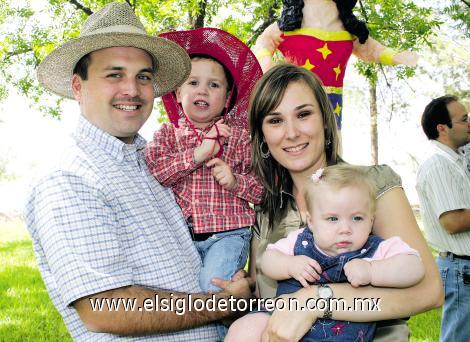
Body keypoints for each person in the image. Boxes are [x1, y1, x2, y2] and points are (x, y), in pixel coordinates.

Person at [24, 3, 252, 340]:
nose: (132, 89)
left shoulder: (154, 157)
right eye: (114, 74)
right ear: (77, 86)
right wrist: (224, 304)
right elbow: (105, 308)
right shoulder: (70, 179)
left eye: (143, 77)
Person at [230, 64, 442, 341]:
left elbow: (429, 291)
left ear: (325, 121)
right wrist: (237, 296)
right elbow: (268, 303)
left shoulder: (372, 185)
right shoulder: (266, 212)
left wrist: (317, 301)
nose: (291, 132)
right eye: (275, 120)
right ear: (263, 138)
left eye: (303, 114)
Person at [227, 164, 424, 341]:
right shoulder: (300, 240)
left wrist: (373, 270)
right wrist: (289, 265)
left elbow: (414, 267)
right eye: (332, 219)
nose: (345, 228)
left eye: (357, 218)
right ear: (311, 221)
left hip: (344, 331)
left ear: (371, 220)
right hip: (283, 316)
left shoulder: (376, 249)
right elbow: (267, 260)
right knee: (244, 329)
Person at [145, 28, 264, 294]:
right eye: (193, 82)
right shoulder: (168, 135)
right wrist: (199, 154)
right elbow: (157, 172)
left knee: (213, 288)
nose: (203, 90)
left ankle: (229, 334)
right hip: (182, 237)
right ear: (177, 93)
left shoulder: (238, 138)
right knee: (177, 292)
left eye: (214, 85)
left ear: (226, 99)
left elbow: (262, 189)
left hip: (227, 233)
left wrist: (235, 182)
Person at [253, 0, 418, 129]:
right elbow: (263, 45)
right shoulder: (287, 25)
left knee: (331, 152)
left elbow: (372, 49)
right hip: (293, 103)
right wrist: (268, 66)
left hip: (332, 107)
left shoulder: (348, 31)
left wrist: (396, 57)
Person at [416, 95, 470, 342]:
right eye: (464, 119)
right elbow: (453, 222)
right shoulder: (438, 165)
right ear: (442, 128)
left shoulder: (456, 159)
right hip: (461, 271)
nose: (469, 122)